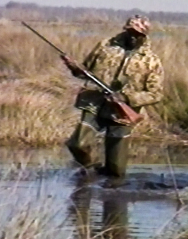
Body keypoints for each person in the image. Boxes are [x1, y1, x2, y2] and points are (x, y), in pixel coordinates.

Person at [63, 15, 164, 188]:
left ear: (145, 35)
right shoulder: (105, 46)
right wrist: (73, 66)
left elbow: (156, 94)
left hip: (122, 113)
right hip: (94, 103)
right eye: (129, 31)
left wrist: (126, 98)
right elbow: (85, 72)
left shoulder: (151, 61)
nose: (132, 36)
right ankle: (90, 171)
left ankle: (114, 206)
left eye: (137, 33)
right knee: (77, 144)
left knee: (116, 171)